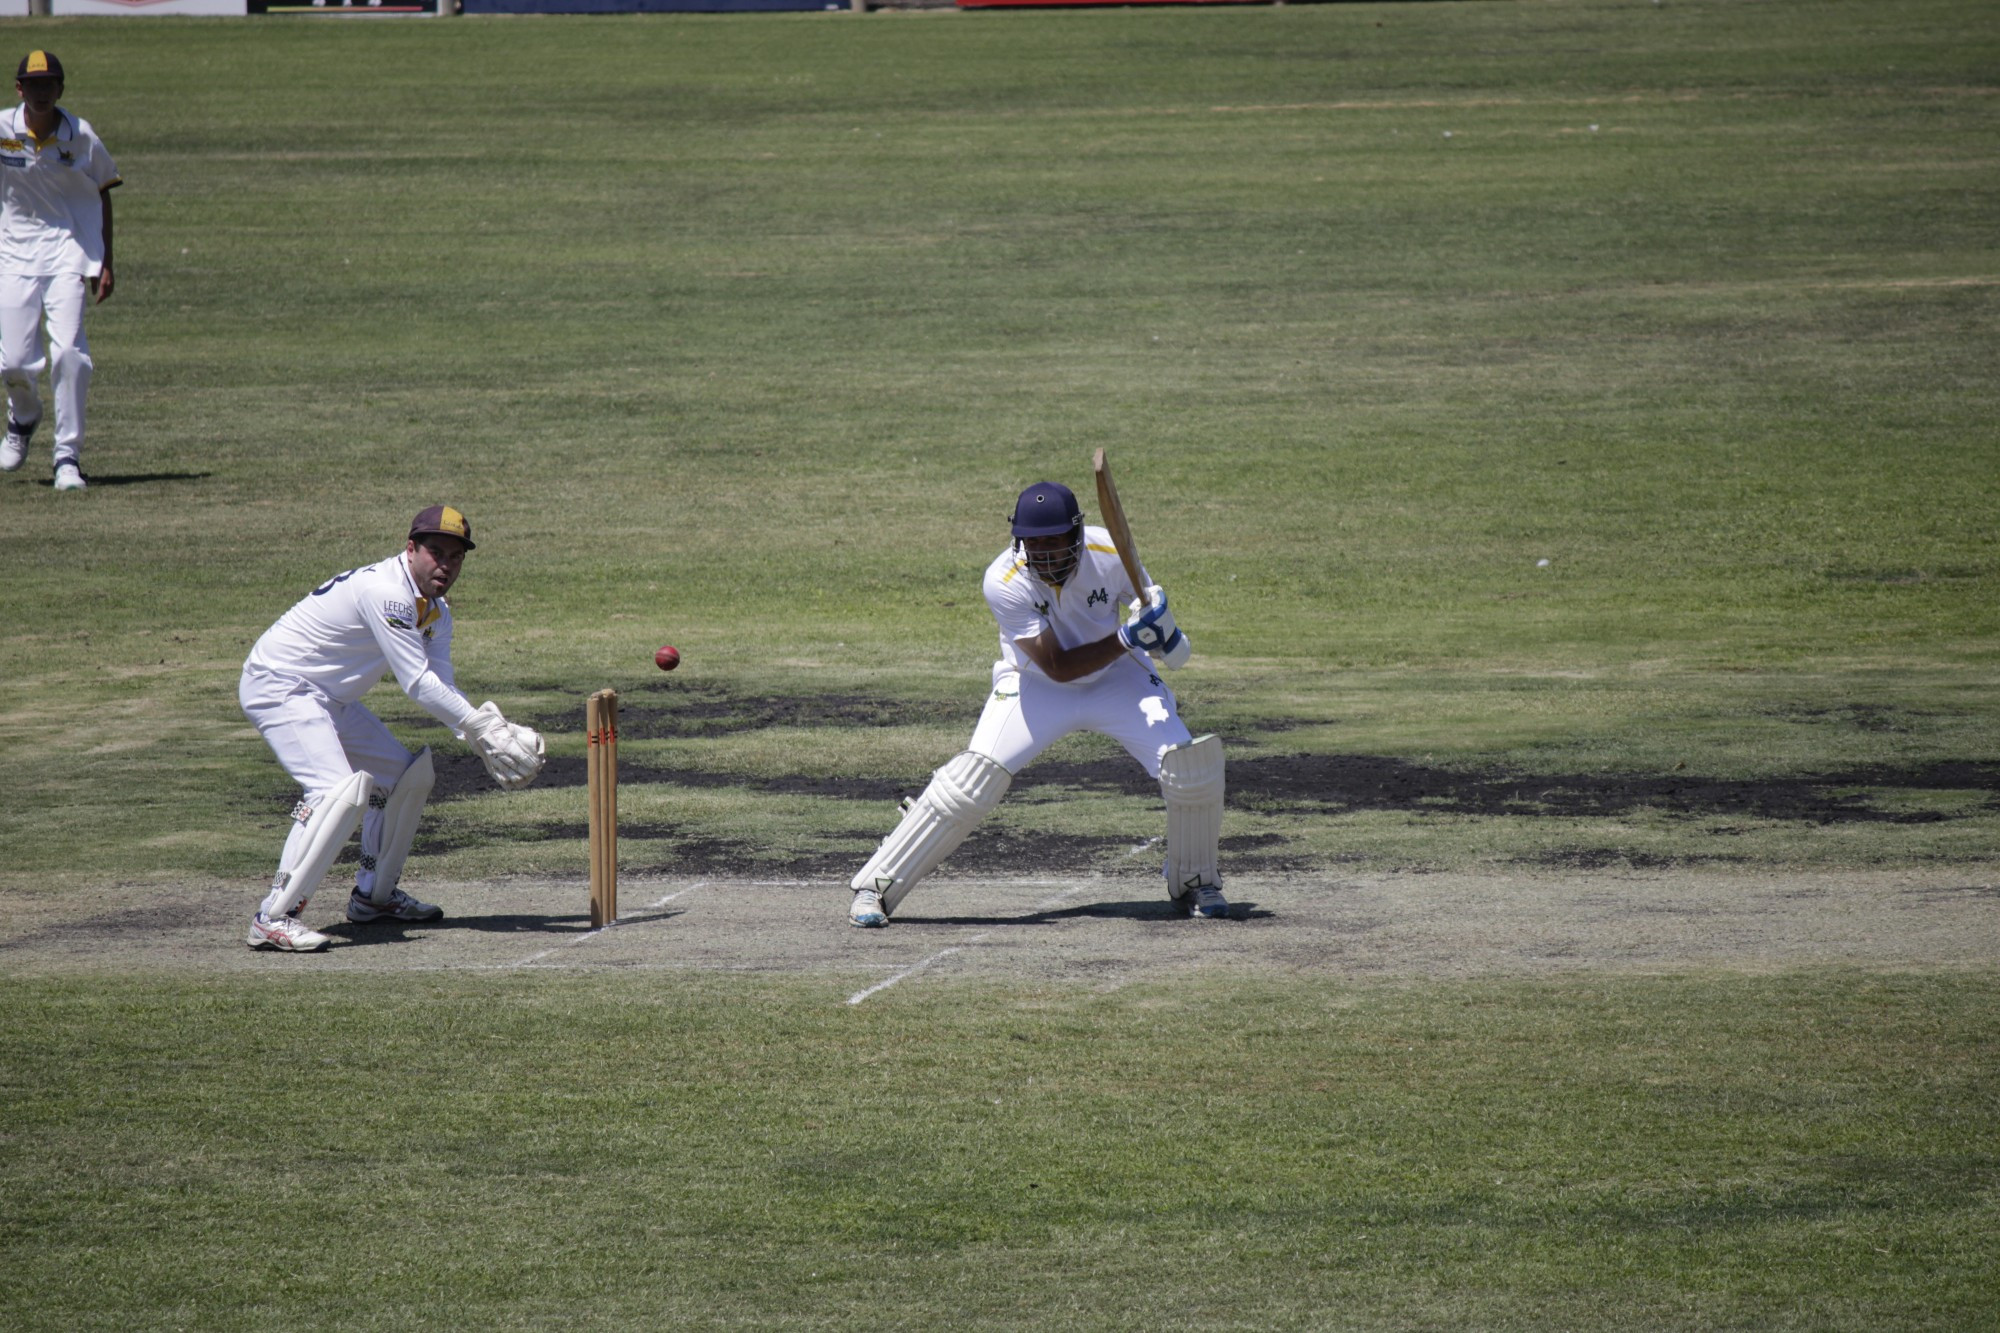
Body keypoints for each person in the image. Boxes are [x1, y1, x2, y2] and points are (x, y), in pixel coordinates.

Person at [848, 480, 1229, 928]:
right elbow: (1059, 667)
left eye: (1054, 541)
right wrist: (1129, 636)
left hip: (1118, 679)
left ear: (1076, 536)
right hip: (1036, 685)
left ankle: (1196, 881)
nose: (1044, 552)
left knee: (1190, 768)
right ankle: (875, 886)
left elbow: (1155, 625)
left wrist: (1162, 631)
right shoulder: (1003, 580)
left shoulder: (1110, 553)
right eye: (1034, 543)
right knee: (972, 781)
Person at [238, 505, 547, 952]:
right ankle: (273, 916)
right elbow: (417, 683)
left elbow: (442, 686)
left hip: (330, 698)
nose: (445, 565)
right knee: (332, 791)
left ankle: (373, 897)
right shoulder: (387, 593)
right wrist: (482, 729)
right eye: (435, 552)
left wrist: (480, 737)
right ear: (410, 548)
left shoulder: (436, 612)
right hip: (281, 685)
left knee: (403, 778)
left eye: (455, 557)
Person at [0, 51, 119, 492]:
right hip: (13, 255)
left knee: (69, 352)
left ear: (61, 89)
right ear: (19, 90)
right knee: (12, 361)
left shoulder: (80, 135)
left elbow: (104, 189)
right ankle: (24, 414)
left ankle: (67, 458)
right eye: (33, 85)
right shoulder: (3, 130)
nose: (42, 91)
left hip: (68, 253)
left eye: (49, 83)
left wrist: (104, 258)